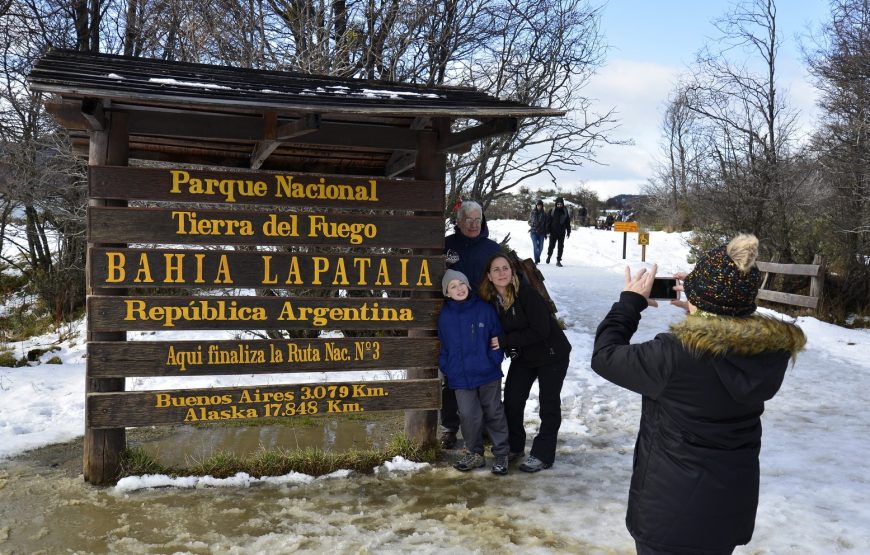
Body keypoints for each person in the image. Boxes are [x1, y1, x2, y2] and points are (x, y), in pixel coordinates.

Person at [590, 234, 806, 555]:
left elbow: (605, 356)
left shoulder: (674, 356)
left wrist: (629, 303)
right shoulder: (765, 351)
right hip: (727, 513)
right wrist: (700, 312)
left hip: (671, 519)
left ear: (701, 299)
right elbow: (719, 344)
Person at [480, 253, 572, 472]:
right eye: (496, 269)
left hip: (552, 353)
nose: (502, 273)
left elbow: (542, 330)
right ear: (489, 276)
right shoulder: (490, 300)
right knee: (512, 400)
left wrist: (505, 341)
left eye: (505, 268)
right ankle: (515, 446)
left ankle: (542, 454)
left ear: (512, 272)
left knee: (548, 404)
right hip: (525, 356)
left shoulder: (527, 294)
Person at [437, 269, 511, 475]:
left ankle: (501, 453)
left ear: (468, 286)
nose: (458, 289)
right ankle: (474, 453)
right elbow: (444, 346)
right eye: (452, 286)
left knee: (494, 412)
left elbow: (497, 336)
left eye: (461, 284)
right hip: (460, 376)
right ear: (447, 293)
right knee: (469, 415)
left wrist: (493, 360)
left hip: (487, 373)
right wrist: (447, 366)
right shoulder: (445, 316)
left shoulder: (485, 309)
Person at [441, 200, 502, 449]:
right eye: (469, 220)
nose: (474, 224)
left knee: (486, 372)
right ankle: (449, 427)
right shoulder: (447, 245)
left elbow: (503, 280)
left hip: (483, 319)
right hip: (453, 319)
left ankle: (486, 427)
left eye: (478, 220)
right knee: (453, 375)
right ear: (459, 221)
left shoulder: (492, 248)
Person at [545, 197, 572, 266]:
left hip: (561, 232)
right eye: (558, 204)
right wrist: (547, 231)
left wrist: (569, 231)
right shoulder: (552, 210)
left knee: (560, 247)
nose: (559, 205)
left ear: (563, 204)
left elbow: (567, 222)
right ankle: (549, 256)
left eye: (561, 204)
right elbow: (548, 222)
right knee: (551, 246)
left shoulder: (565, 211)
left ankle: (558, 260)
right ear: (556, 204)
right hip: (553, 232)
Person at [528, 199, 548, 264]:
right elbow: (529, 222)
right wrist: (533, 224)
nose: (539, 206)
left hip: (541, 232)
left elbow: (545, 224)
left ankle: (537, 257)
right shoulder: (532, 212)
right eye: (538, 205)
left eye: (540, 205)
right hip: (533, 231)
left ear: (542, 206)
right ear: (536, 205)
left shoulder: (544, 214)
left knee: (541, 247)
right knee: (535, 246)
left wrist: (545, 233)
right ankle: (536, 260)